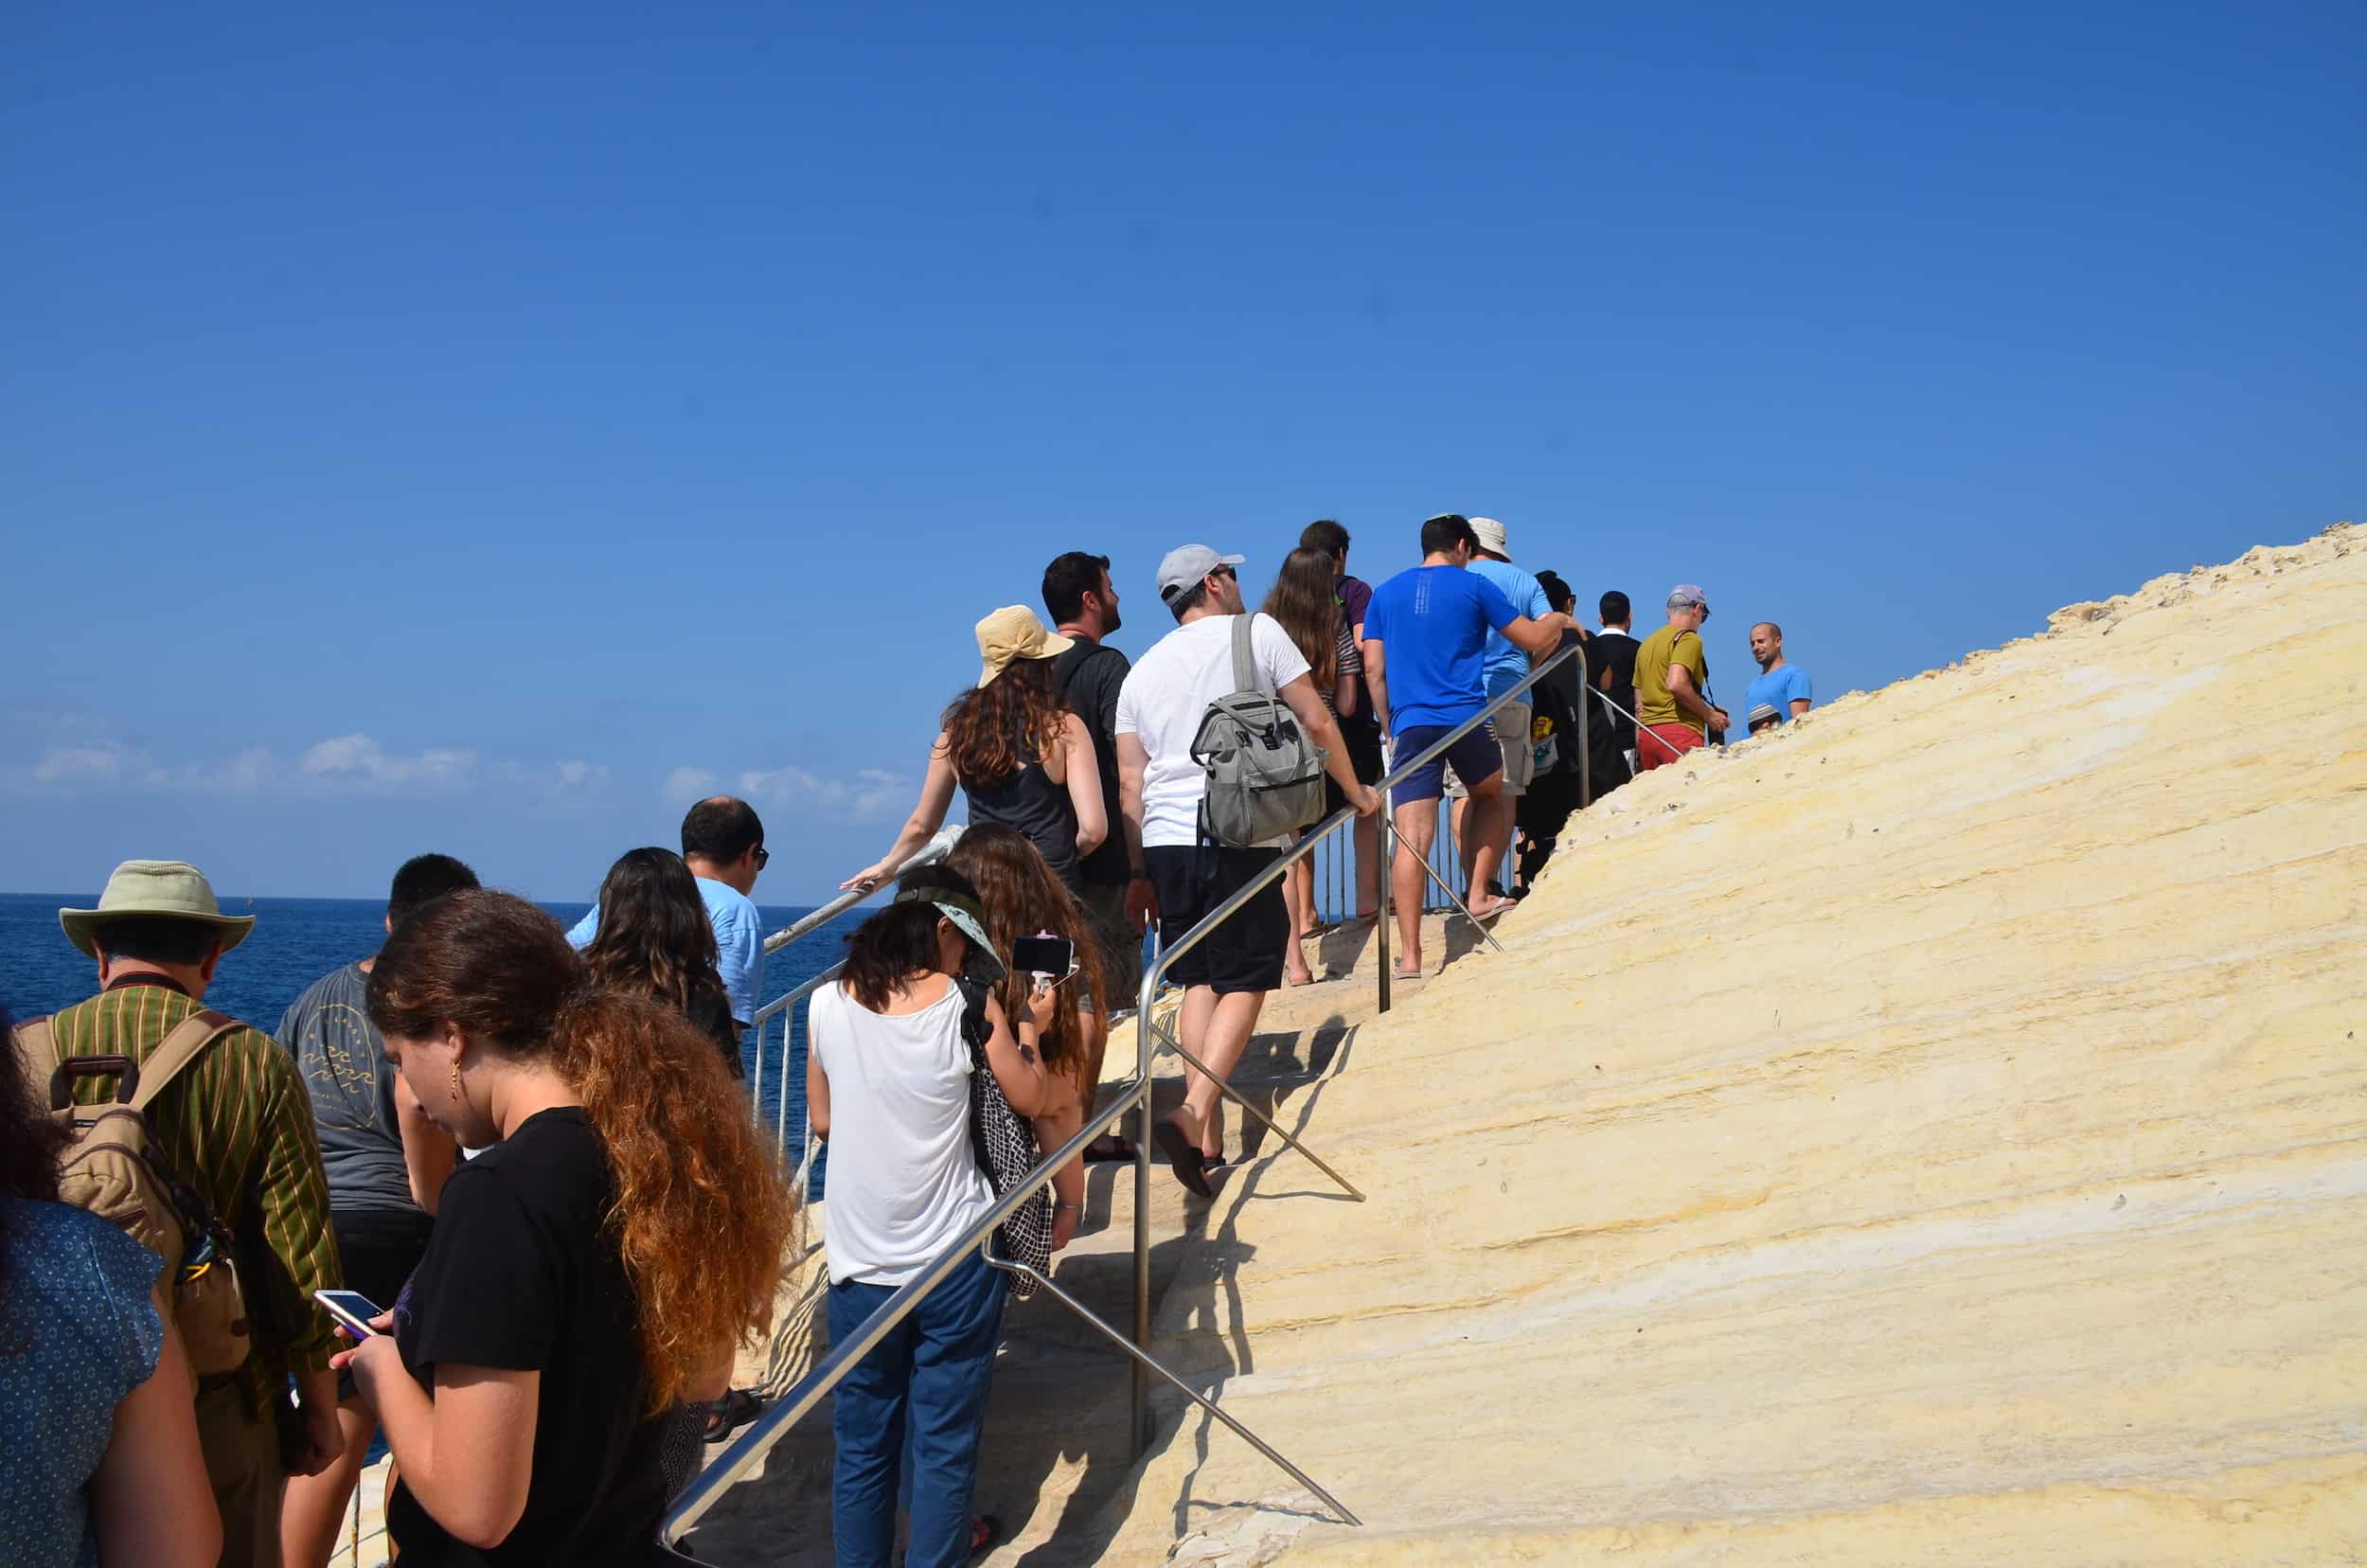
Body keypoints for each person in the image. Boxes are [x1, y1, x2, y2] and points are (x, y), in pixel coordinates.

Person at [336, 889, 794, 1565]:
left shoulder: (497, 1195)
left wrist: (377, 1368)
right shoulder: (654, 1157)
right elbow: (701, 1380)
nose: (407, 1090)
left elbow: (477, 1509)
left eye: (401, 1059)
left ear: (454, 1035)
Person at [39, 859, 343, 1568]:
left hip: (51, 1392)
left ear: (98, 954)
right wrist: (321, 1408)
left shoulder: (20, 1055)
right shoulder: (254, 1062)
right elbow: (299, 1256)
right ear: (211, 957)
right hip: (217, 1396)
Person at [806, 864, 1054, 1568]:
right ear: (944, 928)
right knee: (943, 1445)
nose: (966, 959)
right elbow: (1030, 1098)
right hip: (956, 1257)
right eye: (964, 944)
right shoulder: (968, 1002)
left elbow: (823, 1121)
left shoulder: (825, 1004)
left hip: (860, 1264)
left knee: (861, 1448)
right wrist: (1033, 1028)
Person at [1115, 544, 1379, 1196]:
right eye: (1230, 572)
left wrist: (1138, 869)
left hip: (1166, 840)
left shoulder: (1141, 672)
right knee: (1252, 973)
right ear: (1213, 582)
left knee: (1201, 977)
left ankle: (1202, 1146)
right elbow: (1316, 718)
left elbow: (1130, 781)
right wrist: (1355, 790)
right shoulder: (1258, 631)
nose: (1239, 581)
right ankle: (1194, 1111)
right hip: (1238, 831)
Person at [277, 852, 479, 1568]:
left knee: (326, 1420)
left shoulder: (311, 1000)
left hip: (314, 1228)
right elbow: (421, 1122)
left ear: (390, 919)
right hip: (403, 1221)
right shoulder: (430, 1009)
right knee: (421, 1415)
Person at [1, 1001, 222, 1568]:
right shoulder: (89, 1265)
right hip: (183, 1365)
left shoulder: (38, 1037)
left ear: (97, 954)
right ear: (215, 954)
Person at [1361, 517, 1565, 976]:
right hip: (1467, 718)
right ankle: (1477, 892)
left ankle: (1410, 957)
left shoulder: (1385, 593)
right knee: (1493, 794)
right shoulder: (1473, 586)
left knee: (1412, 839)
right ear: (1460, 546)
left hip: (1411, 723)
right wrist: (1556, 617)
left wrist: (1388, 723)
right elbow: (1532, 639)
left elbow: (1373, 669)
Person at [845, 606, 1108, 898]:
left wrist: (887, 866)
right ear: (1043, 661)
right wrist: (1063, 858)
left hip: (983, 889)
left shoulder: (956, 733)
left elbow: (923, 825)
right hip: (1050, 893)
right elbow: (1094, 831)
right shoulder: (1062, 728)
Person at [944, 824, 1107, 1242]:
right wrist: (1033, 1029)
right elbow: (1050, 1102)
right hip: (1004, 1110)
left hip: (941, 1106)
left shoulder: (946, 956)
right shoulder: (1037, 959)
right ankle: (1061, 1211)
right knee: (1060, 1099)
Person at [1042, 549, 1142, 1162]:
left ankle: (1045, 1124)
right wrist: (1141, 869)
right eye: (1110, 587)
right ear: (1088, 599)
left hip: (1033, 871)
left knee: (1043, 994)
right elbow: (1130, 771)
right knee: (1093, 997)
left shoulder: (1024, 675)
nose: (1117, 598)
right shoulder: (1108, 668)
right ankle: (1083, 1130)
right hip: (1097, 867)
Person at [569, 797, 770, 1051]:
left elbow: (568, 956)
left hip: (598, 1053)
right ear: (749, 854)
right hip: (674, 1066)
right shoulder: (736, 909)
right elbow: (728, 1030)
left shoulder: (629, 893)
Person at [1261, 543, 1364, 986]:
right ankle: (1328, 912)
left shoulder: (1263, 628)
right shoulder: (1335, 629)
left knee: (1288, 849)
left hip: (1273, 748)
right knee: (1321, 830)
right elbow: (1346, 700)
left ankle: (1296, 958)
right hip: (1318, 745)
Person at [1446, 518, 1563, 902]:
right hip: (1512, 691)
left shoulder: (1456, 577)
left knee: (1464, 793)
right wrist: (1532, 667)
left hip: (1463, 697)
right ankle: (1489, 882)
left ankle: (1473, 884)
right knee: (1506, 790)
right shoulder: (1523, 580)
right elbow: (1551, 631)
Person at [1300, 520, 1386, 920]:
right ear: (1339, 555)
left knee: (1300, 824)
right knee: (1367, 804)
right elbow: (1361, 639)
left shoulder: (1290, 601)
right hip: (1350, 720)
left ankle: (1305, 914)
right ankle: (1367, 898)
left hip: (1300, 724)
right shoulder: (1353, 590)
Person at [1513, 570, 1592, 897]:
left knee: (1528, 816)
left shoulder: (1523, 644)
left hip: (1534, 733)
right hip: (1569, 743)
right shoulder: (1577, 642)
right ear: (1568, 604)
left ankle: (1522, 883)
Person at [1633, 585, 1729, 771]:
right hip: (1680, 733)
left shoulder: (1646, 645)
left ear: (1668, 611)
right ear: (1697, 609)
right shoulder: (1688, 639)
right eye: (1704, 615)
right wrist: (1710, 716)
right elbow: (1676, 683)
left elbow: (1639, 705)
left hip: (1647, 736)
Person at [1588, 590, 1641, 792]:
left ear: (1601, 618)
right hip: (1626, 737)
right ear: (1630, 616)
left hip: (1594, 739)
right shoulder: (1639, 650)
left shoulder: (1589, 647)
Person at [1743, 621, 1815, 733]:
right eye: (1752, 643)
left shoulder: (1794, 675)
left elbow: (1800, 723)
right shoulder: (1751, 687)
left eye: (1761, 641)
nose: (1755, 647)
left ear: (1777, 642)